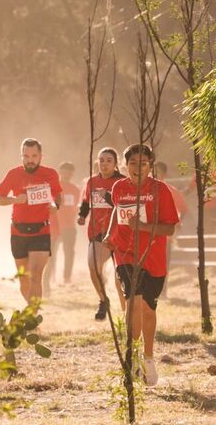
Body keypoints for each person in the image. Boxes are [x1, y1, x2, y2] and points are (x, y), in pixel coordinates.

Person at [104, 144, 179, 386]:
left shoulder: (161, 190)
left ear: (150, 166)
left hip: (153, 258)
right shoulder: (118, 187)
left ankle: (148, 357)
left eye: (143, 163)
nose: (138, 168)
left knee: (148, 309)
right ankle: (132, 356)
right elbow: (117, 211)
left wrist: (143, 227)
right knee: (133, 302)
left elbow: (169, 228)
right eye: (133, 163)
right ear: (125, 166)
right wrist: (110, 234)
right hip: (125, 254)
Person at [0, 138, 62, 305]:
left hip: (41, 231)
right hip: (18, 231)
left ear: (41, 156)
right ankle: (31, 311)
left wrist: (55, 205)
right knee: (24, 280)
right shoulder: (13, 174)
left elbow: (57, 195)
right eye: (26, 156)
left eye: (33, 156)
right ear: (21, 156)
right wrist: (15, 200)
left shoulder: (51, 173)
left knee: (35, 275)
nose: (30, 160)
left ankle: (32, 315)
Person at [78, 148, 125, 320]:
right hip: (97, 232)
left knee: (120, 278)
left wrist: (108, 197)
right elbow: (85, 202)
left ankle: (127, 313)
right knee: (93, 267)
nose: (104, 164)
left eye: (108, 161)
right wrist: (82, 216)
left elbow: (126, 205)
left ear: (115, 164)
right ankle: (103, 300)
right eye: (101, 160)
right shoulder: (91, 181)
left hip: (119, 233)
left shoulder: (122, 181)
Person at [44, 161, 80, 294]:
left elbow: (76, 207)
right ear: (60, 172)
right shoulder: (53, 188)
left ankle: (66, 278)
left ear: (72, 174)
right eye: (64, 171)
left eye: (69, 172)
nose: (67, 174)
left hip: (69, 226)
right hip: (54, 225)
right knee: (52, 253)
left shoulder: (75, 189)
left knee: (69, 252)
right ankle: (51, 276)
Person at [154, 161, 188, 297]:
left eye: (158, 173)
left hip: (165, 236)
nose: (154, 175)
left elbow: (183, 210)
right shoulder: (145, 189)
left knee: (163, 264)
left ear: (165, 175)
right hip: (147, 234)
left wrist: (177, 223)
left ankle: (163, 292)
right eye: (153, 172)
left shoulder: (171, 191)